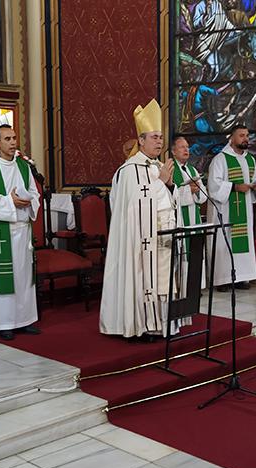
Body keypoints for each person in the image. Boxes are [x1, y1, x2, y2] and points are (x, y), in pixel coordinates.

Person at [100, 99, 178, 339]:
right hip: (140, 240)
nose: (159, 141)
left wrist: (169, 184)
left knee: (164, 279)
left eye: (161, 137)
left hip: (163, 236)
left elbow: (167, 201)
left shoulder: (157, 167)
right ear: (141, 140)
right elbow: (130, 206)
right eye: (153, 137)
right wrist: (161, 182)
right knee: (144, 278)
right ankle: (143, 325)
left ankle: (164, 323)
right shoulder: (128, 171)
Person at [0, 124, 40, 341]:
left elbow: (34, 193)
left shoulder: (24, 167)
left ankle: (25, 319)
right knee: (3, 277)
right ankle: (3, 322)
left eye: (14, 138)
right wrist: (9, 202)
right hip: (1, 232)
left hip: (22, 230)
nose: (13, 142)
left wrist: (28, 201)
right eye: (7, 139)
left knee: (23, 277)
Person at [207, 124, 256, 290]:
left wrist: (255, 186)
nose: (245, 138)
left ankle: (240, 277)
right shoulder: (220, 159)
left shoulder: (249, 159)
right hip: (225, 210)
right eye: (241, 135)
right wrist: (235, 187)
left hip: (244, 208)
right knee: (224, 242)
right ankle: (222, 279)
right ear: (232, 138)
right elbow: (213, 185)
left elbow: (255, 176)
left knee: (241, 242)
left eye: (247, 135)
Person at [170, 135, 207, 289]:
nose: (186, 150)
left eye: (187, 147)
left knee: (196, 251)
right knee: (183, 252)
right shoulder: (170, 169)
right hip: (180, 218)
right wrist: (188, 189)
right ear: (173, 151)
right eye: (182, 147)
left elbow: (203, 196)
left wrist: (197, 190)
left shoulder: (192, 169)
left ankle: (195, 286)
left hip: (194, 217)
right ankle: (183, 286)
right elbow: (169, 194)